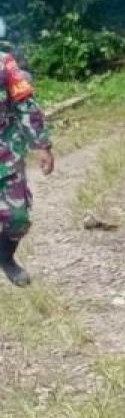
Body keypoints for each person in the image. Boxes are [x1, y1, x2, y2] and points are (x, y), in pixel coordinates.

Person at [0, 43, 53, 287]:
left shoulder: (5, 64)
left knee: (17, 218)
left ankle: (6, 258)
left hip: (6, 152)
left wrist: (41, 145)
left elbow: (25, 105)